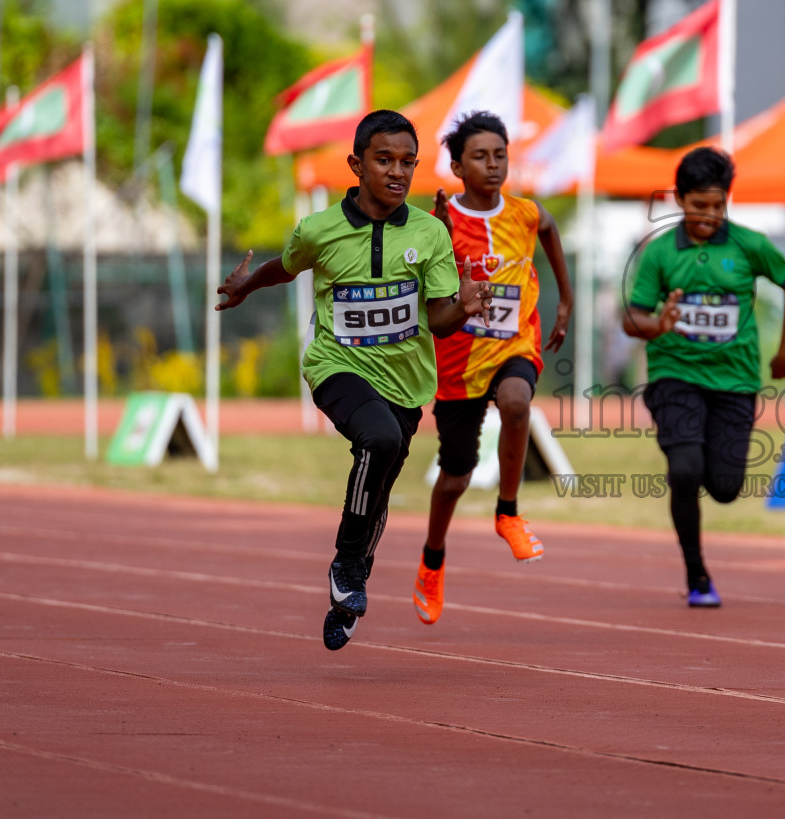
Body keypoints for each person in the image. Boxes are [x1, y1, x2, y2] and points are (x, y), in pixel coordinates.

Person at [216, 109, 491, 650]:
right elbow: (288, 265)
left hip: (407, 383)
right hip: (336, 366)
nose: (396, 172)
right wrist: (248, 286)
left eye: (407, 162)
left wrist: (463, 307)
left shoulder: (429, 233)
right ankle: (346, 564)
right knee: (379, 439)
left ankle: (353, 579)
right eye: (383, 160)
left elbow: (437, 319)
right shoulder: (320, 230)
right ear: (356, 164)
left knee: (381, 481)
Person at [413, 111, 574, 626]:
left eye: (500, 154)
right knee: (455, 478)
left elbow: (549, 229)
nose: (493, 164)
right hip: (458, 363)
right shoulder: (441, 221)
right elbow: (424, 288)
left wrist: (565, 301)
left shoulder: (525, 213)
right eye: (480, 156)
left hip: (514, 346)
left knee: (517, 403)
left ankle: (508, 512)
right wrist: (438, 235)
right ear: (457, 166)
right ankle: (432, 558)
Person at [625, 147, 785, 607]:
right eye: (698, 205)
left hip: (735, 381)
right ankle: (696, 573)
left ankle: (704, 463)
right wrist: (658, 325)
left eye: (717, 206)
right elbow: (632, 319)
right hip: (675, 375)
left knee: (725, 489)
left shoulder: (749, 244)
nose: (708, 215)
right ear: (679, 200)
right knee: (685, 470)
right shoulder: (660, 251)